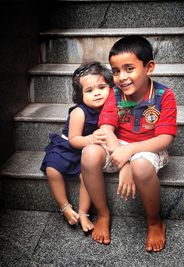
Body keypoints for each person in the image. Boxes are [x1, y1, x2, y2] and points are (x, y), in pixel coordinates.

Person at [81, 35, 177, 251]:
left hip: (149, 146)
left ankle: (154, 222)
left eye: (129, 69)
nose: (121, 77)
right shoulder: (115, 95)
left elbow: (164, 139)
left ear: (149, 67)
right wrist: (124, 162)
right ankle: (103, 213)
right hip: (119, 144)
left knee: (141, 166)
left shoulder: (164, 96)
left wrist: (131, 154)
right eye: (116, 71)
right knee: (89, 154)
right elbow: (106, 129)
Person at [40, 61, 114, 232]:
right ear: (80, 96)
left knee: (85, 177)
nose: (96, 94)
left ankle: (83, 212)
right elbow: (74, 139)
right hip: (69, 146)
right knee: (52, 169)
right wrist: (90, 139)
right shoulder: (79, 112)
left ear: (111, 88)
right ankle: (64, 206)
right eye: (89, 91)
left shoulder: (111, 109)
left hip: (87, 152)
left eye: (101, 87)